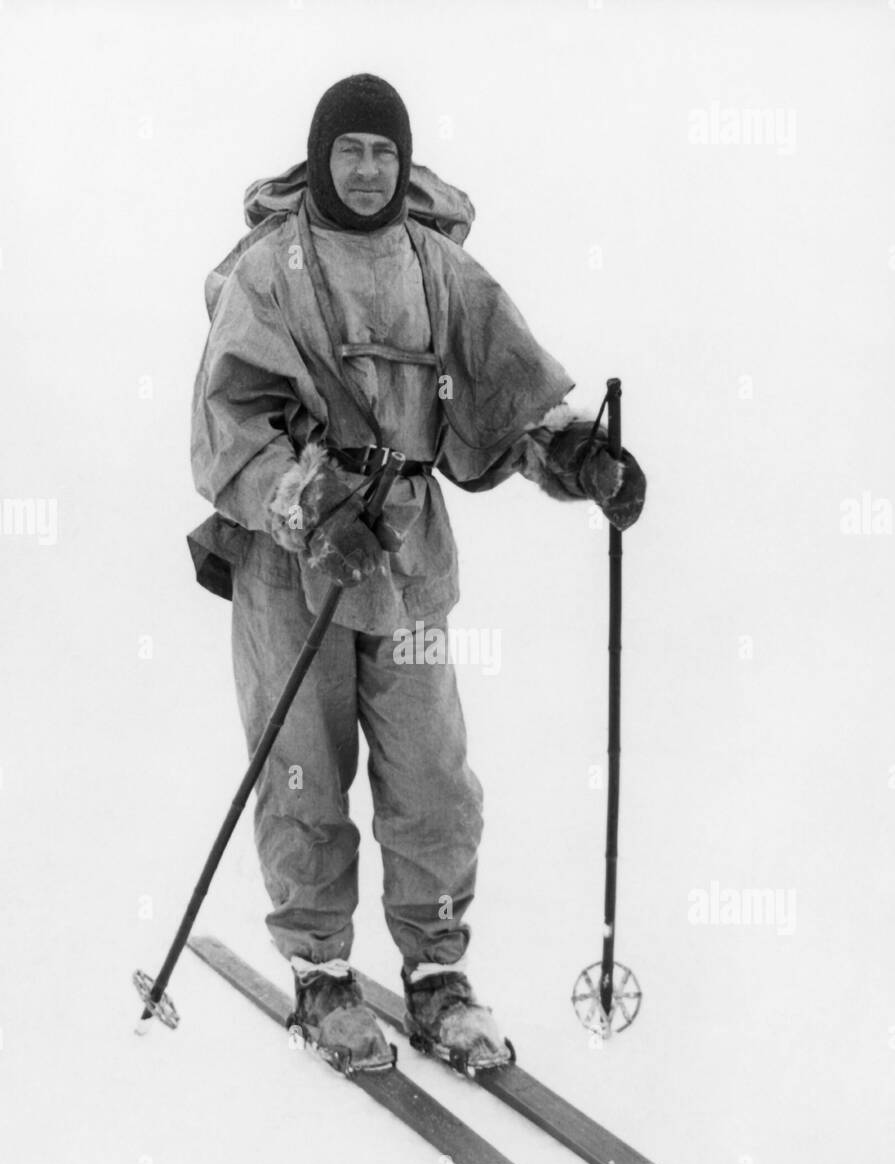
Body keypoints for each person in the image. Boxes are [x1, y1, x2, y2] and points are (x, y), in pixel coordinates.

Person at [189, 74, 646, 1075]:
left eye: (383, 153)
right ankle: (320, 971)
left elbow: (509, 390)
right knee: (302, 765)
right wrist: (311, 505)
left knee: (432, 777)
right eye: (348, 150)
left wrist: (577, 456)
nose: (365, 170)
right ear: (319, 158)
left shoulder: (440, 270)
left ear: (405, 163)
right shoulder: (270, 272)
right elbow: (228, 427)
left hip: (404, 555)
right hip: (289, 562)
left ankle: (435, 975)